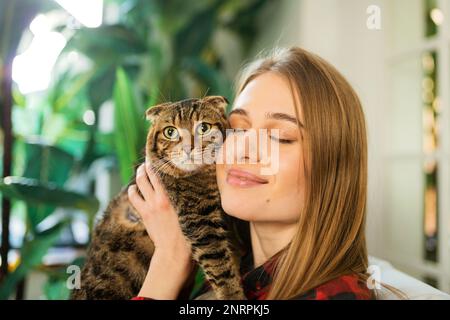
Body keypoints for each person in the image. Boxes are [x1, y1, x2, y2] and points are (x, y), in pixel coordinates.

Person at [128, 47, 374, 300]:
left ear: (333, 167)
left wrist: (169, 260)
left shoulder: (335, 295)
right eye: (237, 128)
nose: (242, 149)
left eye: (279, 136)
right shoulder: (238, 274)